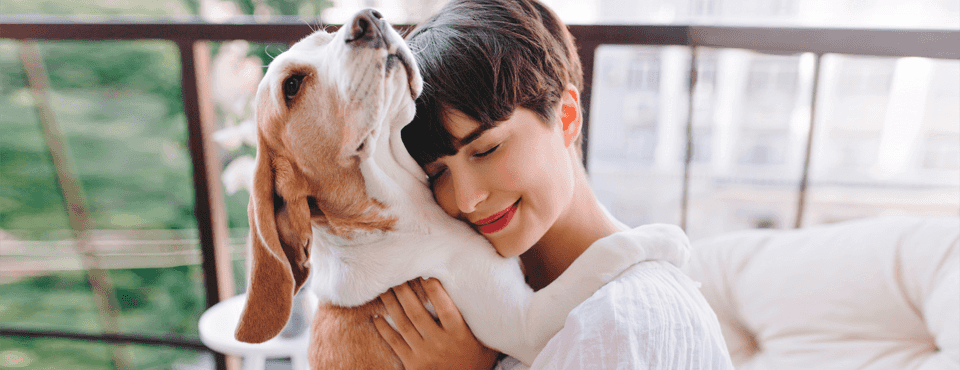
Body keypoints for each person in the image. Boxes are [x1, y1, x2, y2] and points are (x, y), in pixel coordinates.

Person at [370, 0, 736, 369]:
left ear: (567, 116)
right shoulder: (463, 312)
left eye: (486, 150)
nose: (467, 199)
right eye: (438, 174)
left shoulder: (626, 323)